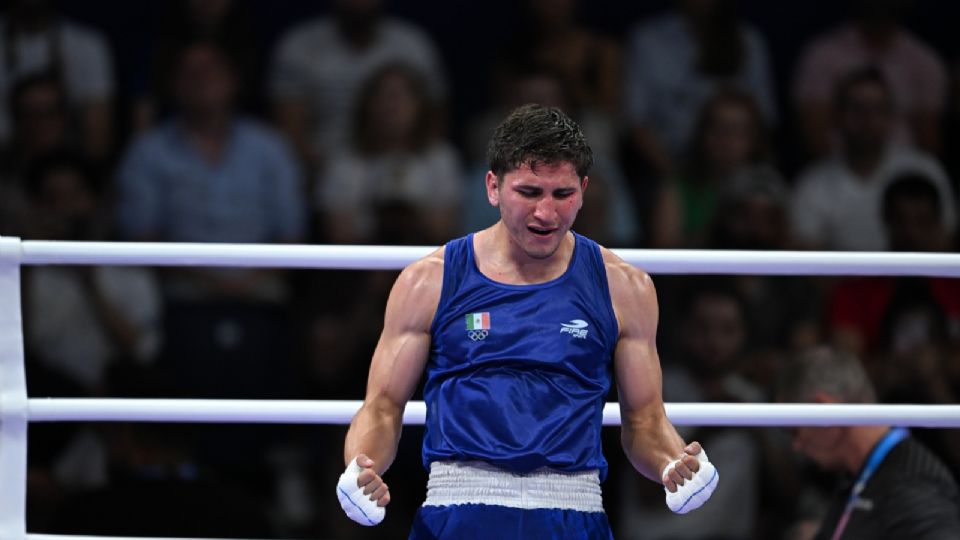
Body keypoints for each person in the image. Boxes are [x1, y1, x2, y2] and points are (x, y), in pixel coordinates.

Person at [337, 104, 718, 538]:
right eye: (530, 192)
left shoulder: (624, 288)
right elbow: (383, 406)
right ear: (493, 188)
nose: (546, 214)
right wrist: (361, 468)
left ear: (585, 189)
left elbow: (645, 419)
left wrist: (674, 465)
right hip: (458, 510)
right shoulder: (430, 280)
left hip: (572, 513)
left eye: (562, 194)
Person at [777, 347, 960, 539]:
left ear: (824, 411)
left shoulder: (910, 485)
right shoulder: (861, 474)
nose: (796, 445)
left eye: (794, 431)